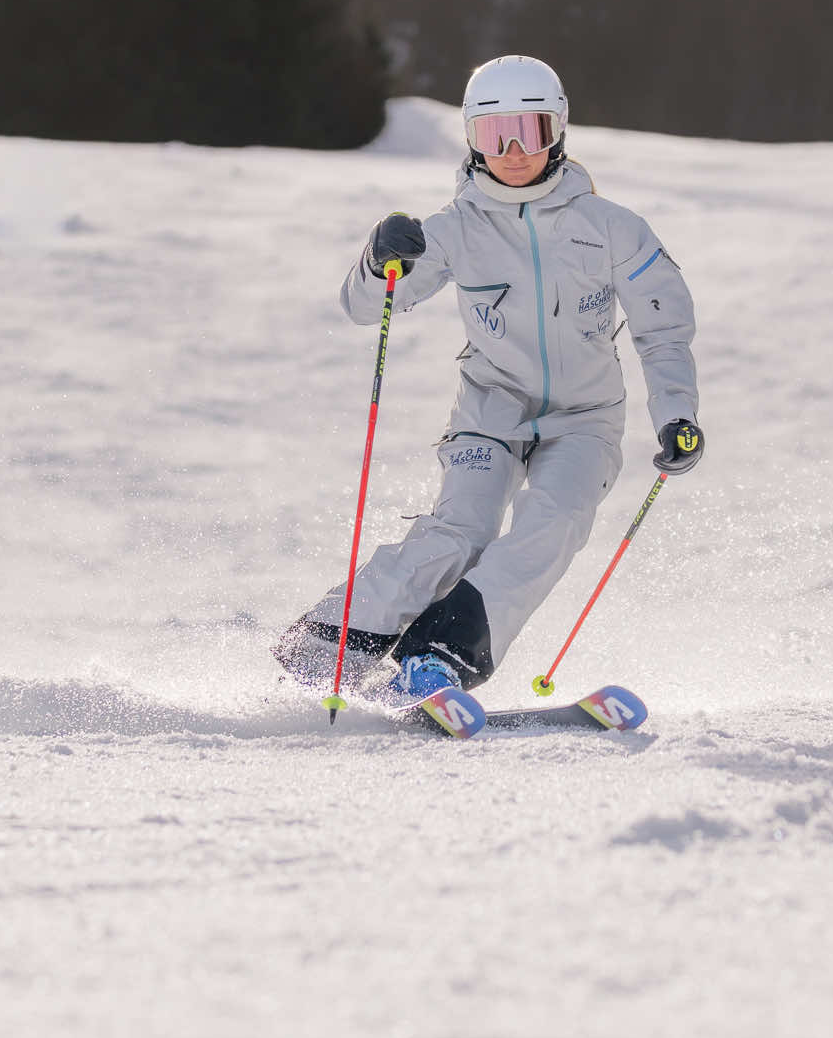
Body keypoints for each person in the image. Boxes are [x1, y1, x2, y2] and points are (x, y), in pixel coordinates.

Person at [274, 54, 703, 703]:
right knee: (460, 529)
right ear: (471, 140)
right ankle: (329, 642)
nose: (511, 152)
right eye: (491, 136)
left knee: (553, 523)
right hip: (491, 408)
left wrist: (677, 414)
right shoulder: (451, 232)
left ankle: (440, 655)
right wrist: (378, 260)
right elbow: (366, 307)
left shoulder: (612, 228)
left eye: (527, 133)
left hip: (586, 417)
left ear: (557, 130)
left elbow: (663, 327)